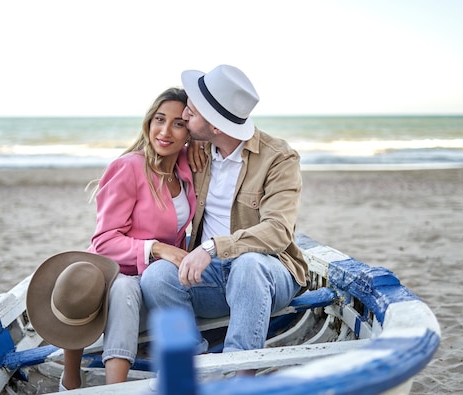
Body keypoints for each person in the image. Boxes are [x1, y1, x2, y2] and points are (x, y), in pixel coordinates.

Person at [140, 65, 309, 374]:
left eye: (191, 113)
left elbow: (278, 232)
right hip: (212, 279)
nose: (185, 117)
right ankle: (194, 363)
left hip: (269, 272)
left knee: (248, 265)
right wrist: (191, 144)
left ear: (216, 126)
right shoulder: (200, 149)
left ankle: (240, 372)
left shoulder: (279, 158)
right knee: (157, 277)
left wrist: (212, 248)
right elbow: (153, 145)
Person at [28, 87, 197, 391]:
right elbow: (104, 241)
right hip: (112, 278)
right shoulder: (129, 167)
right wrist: (157, 249)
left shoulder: (186, 170)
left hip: (157, 282)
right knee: (124, 289)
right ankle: (112, 387)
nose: (165, 131)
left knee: (140, 289)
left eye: (178, 123)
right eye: (159, 119)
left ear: (189, 131)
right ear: (148, 122)